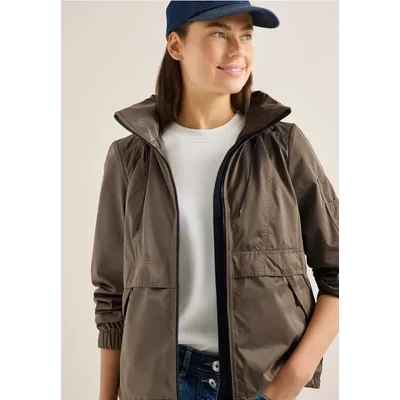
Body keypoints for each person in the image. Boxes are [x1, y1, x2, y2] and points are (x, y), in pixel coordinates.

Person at [90, 1, 339, 400]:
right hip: (157, 384)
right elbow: (111, 295)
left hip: (258, 383)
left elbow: (341, 271)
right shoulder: (131, 157)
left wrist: (292, 377)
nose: (238, 49)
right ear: (176, 45)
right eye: (219, 33)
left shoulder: (282, 147)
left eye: (246, 35)